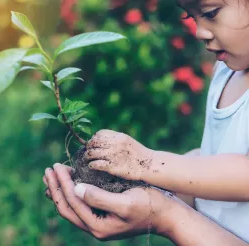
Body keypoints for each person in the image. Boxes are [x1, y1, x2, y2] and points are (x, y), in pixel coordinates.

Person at [43, 0, 249, 244]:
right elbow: (215, 157)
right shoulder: (226, 72)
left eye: (210, 13)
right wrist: (139, 184)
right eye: (191, 18)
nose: (199, 31)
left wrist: (148, 163)